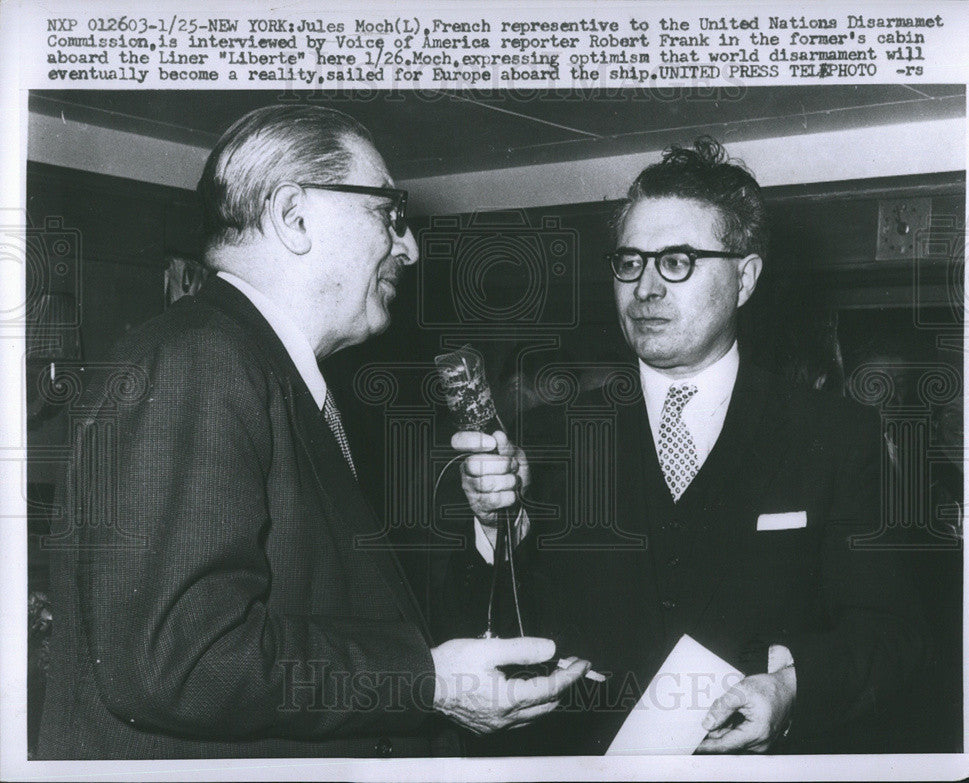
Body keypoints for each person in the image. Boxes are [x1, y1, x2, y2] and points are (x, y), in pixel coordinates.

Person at [37, 105, 590, 759]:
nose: (408, 245)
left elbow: (343, 613)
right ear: (294, 216)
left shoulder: (269, 373)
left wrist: (489, 526)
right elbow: (184, 660)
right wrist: (428, 682)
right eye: (388, 213)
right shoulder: (204, 361)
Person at [448, 137, 927, 754]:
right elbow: (487, 636)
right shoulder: (550, 437)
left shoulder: (834, 436)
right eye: (630, 261)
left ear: (745, 278)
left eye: (676, 260)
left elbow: (893, 636)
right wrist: (495, 526)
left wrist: (791, 690)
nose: (644, 287)